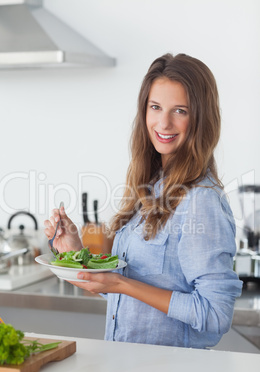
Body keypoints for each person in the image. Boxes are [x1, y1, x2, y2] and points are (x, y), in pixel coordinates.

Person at [44, 53, 243, 349]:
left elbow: (215, 315)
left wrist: (122, 284)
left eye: (180, 110)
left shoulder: (200, 199)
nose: (164, 122)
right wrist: (76, 254)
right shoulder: (150, 186)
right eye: (155, 107)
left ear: (201, 119)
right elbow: (127, 297)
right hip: (128, 369)